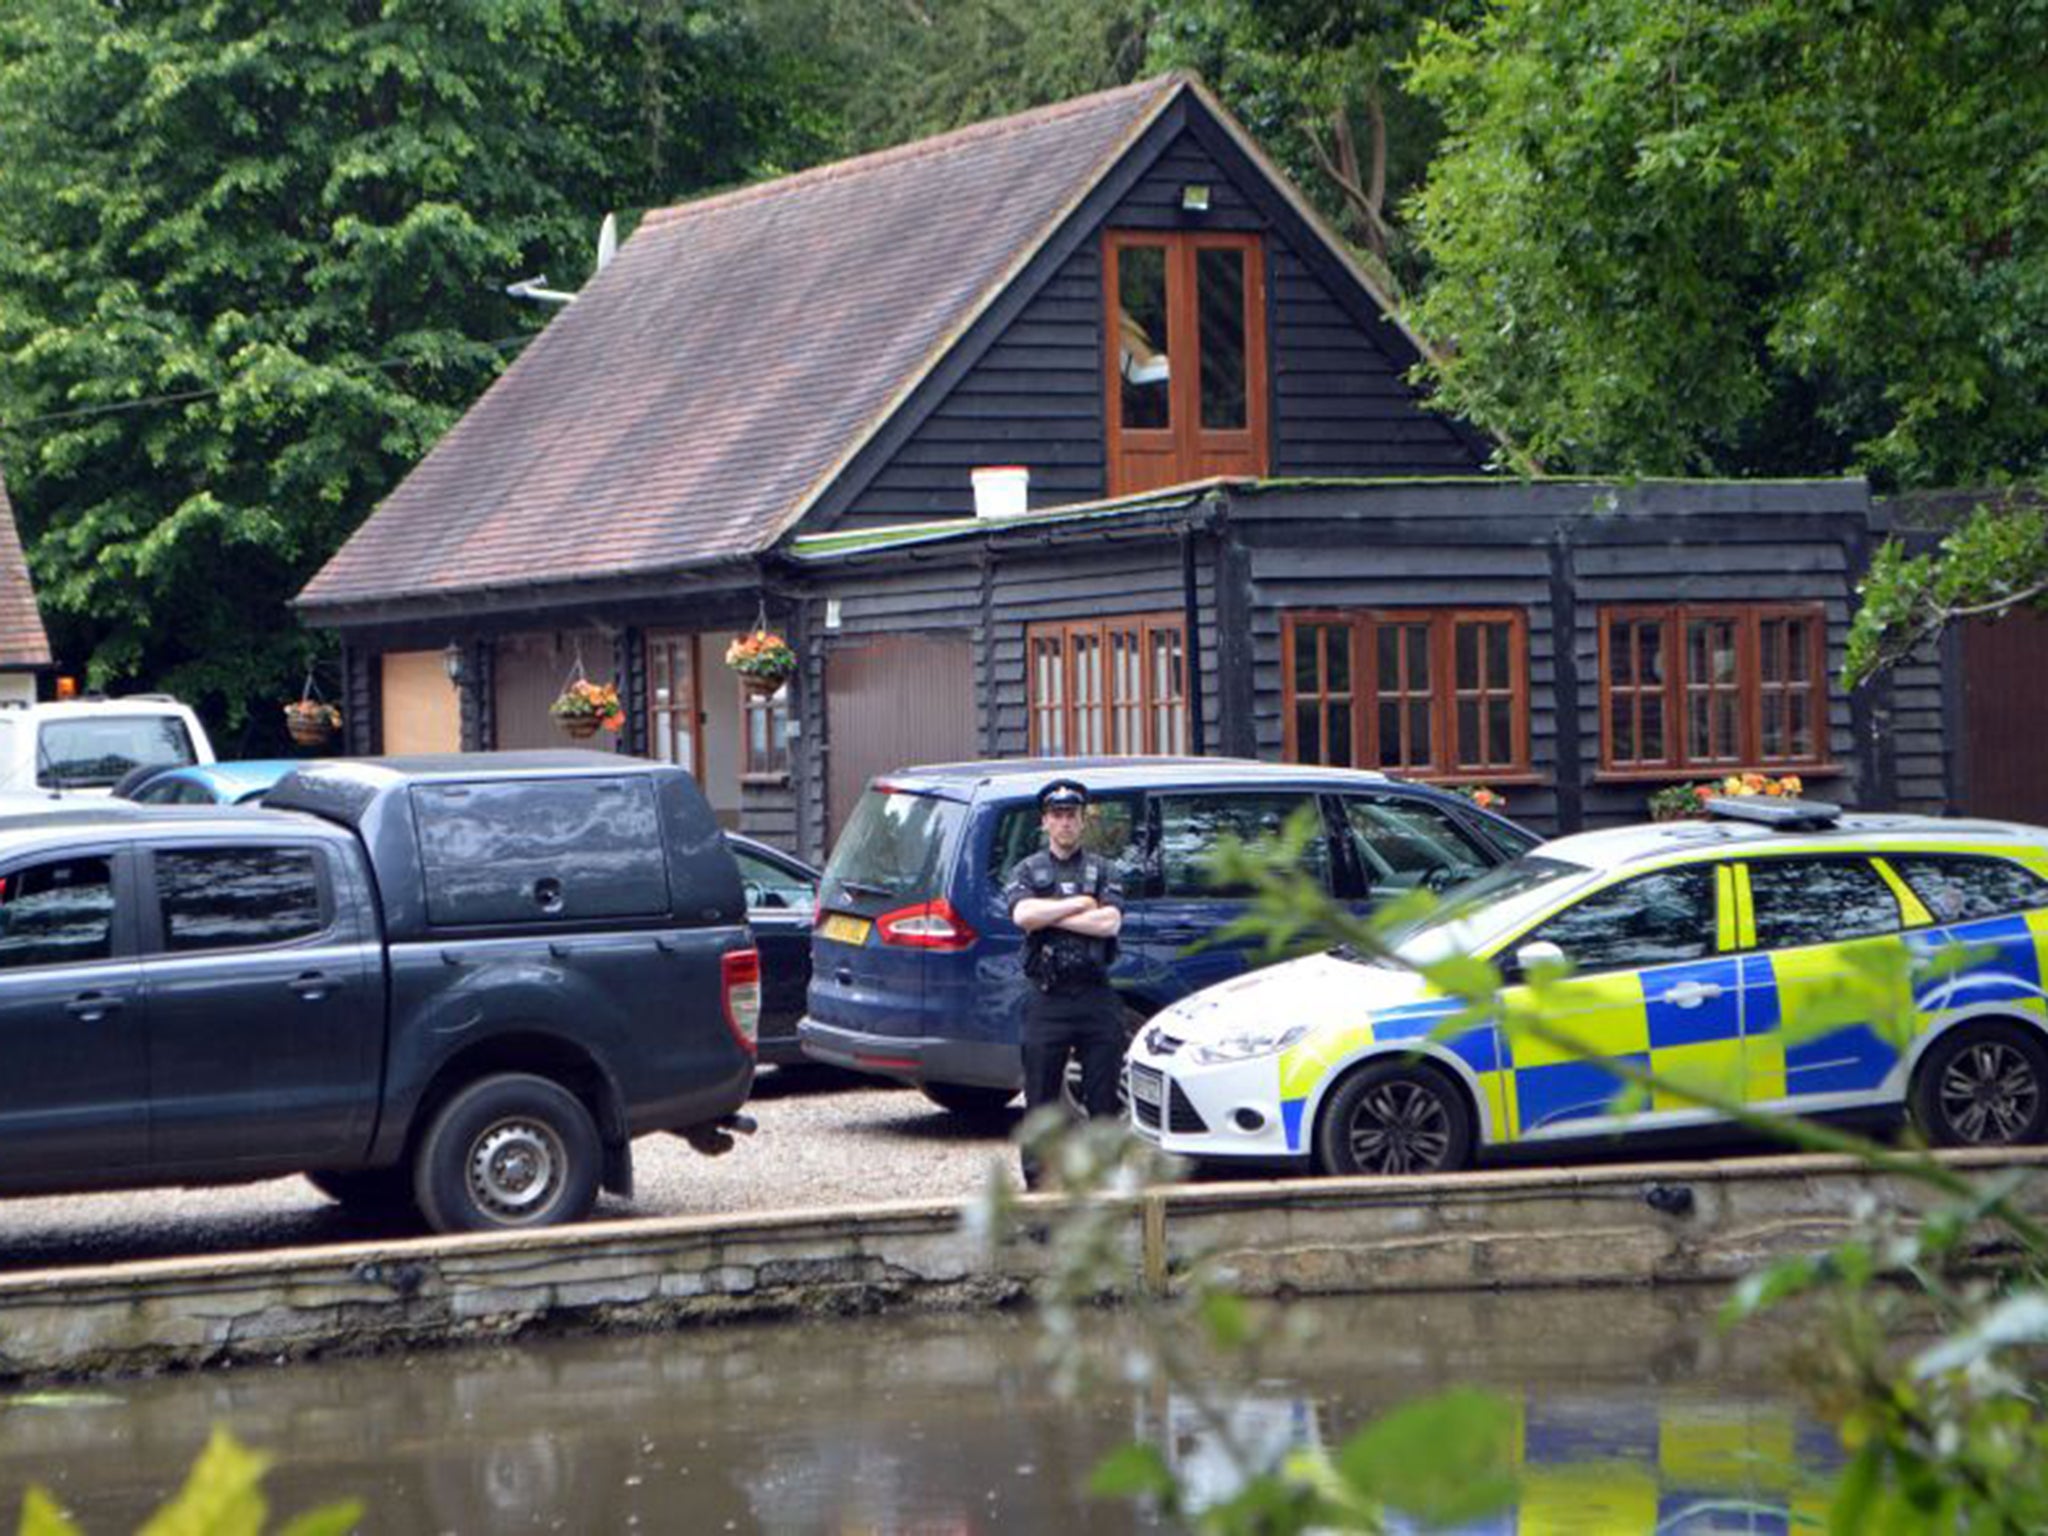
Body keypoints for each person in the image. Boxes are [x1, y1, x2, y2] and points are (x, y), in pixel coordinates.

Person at [1003, 777, 1126, 1188]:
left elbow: (1109, 923)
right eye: (1057, 815)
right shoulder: (1027, 870)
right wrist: (1079, 905)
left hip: (1095, 997)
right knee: (1039, 1106)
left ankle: (1105, 1196)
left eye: (1071, 815)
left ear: (1082, 820)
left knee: (1105, 1103)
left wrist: (1050, 914)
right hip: (1047, 999)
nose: (1065, 822)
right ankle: (1041, 1200)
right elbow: (1022, 916)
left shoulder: (1104, 869)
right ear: (1045, 823)